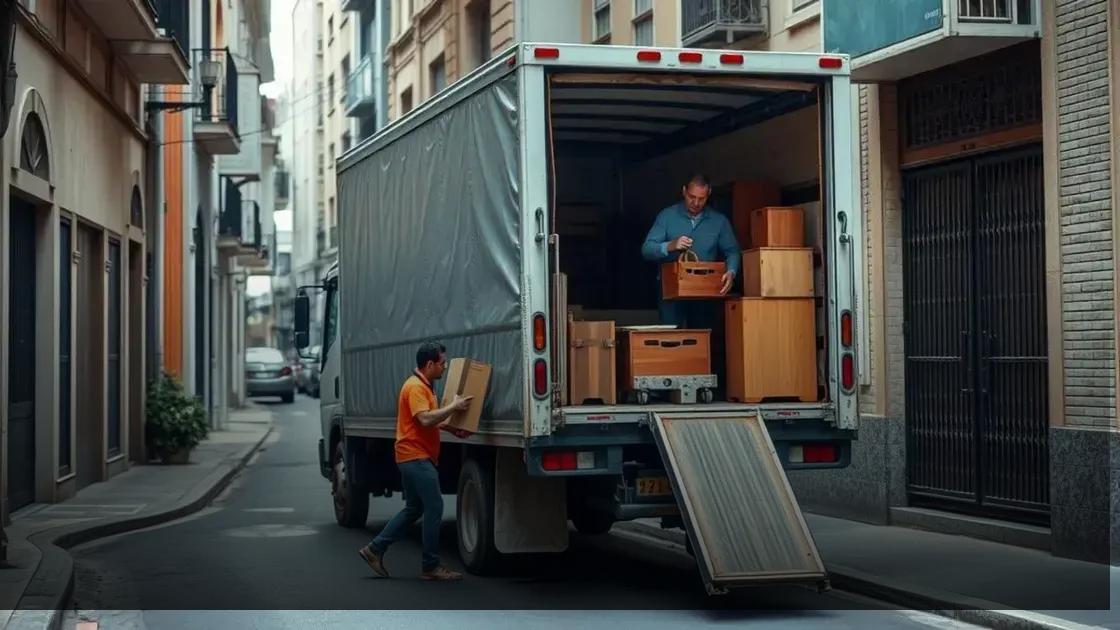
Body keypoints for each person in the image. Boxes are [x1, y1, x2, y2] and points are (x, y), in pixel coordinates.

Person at [358, 341, 473, 581]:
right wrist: (453, 406)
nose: (445, 367)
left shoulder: (424, 386)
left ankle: (375, 549)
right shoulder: (415, 388)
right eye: (442, 363)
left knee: (415, 508)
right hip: (416, 457)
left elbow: (430, 420)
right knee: (434, 506)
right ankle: (431, 566)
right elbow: (424, 420)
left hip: (413, 455)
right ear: (429, 364)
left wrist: (453, 429)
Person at [641, 173, 741, 329]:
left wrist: (732, 271)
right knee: (671, 337)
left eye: (701, 199)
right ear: (684, 191)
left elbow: (733, 251)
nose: (696, 203)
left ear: (708, 195)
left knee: (702, 337)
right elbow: (647, 249)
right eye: (691, 197)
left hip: (704, 290)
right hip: (670, 290)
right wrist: (670, 245)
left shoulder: (719, 221)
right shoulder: (667, 216)